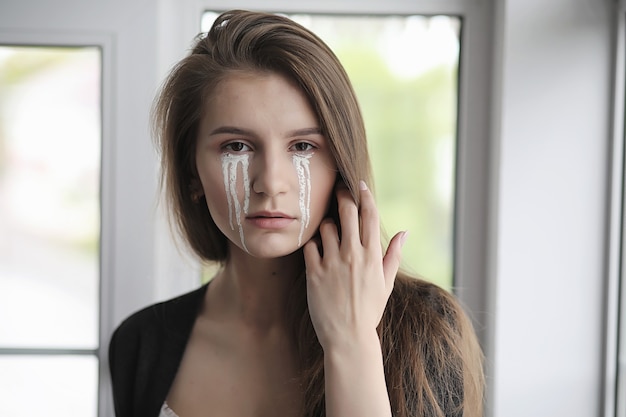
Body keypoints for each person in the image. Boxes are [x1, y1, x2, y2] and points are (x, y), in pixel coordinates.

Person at [108, 9, 485, 417]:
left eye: (303, 147)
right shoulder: (140, 343)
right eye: (236, 146)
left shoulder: (425, 331)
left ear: (341, 163)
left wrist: (351, 341)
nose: (271, 182)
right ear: (191, 172)